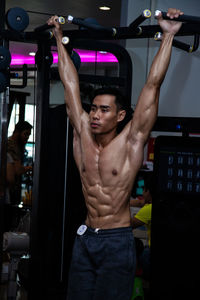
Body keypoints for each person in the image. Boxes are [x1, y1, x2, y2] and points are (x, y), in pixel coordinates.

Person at [47, 8, 183, 300]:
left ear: (120, 115)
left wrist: (168, 35)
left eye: (104, 110)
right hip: (85, 237)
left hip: (116, 240)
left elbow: (152, 85)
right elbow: (70, 85)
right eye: (93, 108)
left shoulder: (132, 141)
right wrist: (58, 38)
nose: (95, 115)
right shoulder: (83, 132)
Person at [132, 173, 153, 281]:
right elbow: (140, 201)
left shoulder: (149, 209)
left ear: (148, 191)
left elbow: (128, 225)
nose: (143, 193)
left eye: (144, 190)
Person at [7, 120, 33, 205]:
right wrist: (30, 168)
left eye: (29, 135)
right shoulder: (11, 145)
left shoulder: (15, 145)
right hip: (8, 190)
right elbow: (18, 170)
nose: (27, 138)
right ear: (17, 132)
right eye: (25, 134)